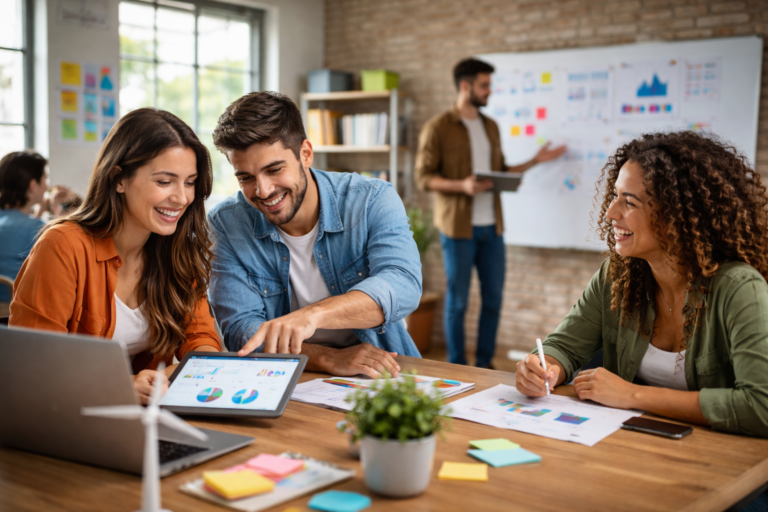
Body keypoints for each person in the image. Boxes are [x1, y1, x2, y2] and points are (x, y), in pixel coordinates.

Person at [515, 131, 768, 439]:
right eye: (615, 196)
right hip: (639, 448)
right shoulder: (618, 275)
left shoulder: (740, 289)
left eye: (629, 202)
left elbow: (760, 407)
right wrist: (546, 369)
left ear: (676, 215)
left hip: (727, 466)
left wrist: (632, 395)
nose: (611, 213)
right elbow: (564, 346)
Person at [10, 108, 222, 403]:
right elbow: (34, 365)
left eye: (189, 182)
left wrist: (174, 374)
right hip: (64, 415)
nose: (182, 197)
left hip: (139, 416)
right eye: (164, 182)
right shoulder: (63, 245)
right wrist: (121, 386)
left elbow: (201, 339)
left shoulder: (175, 248)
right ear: (118, 179)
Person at [207, 91, 422, 378]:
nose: (263, 190)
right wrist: (327, 358)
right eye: (246, 177)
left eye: (274, 169)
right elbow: (240, 331)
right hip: (283, 378)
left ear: (305, 154)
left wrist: (311, 316)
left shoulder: (371, 199)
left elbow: (403, 284)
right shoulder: (226, 223)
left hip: (381, 368)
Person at [414, 57, 567, 368]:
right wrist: (462, 186)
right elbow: (423, 177)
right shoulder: (438, 127)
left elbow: (502, 171)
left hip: (492, 228)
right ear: (465, 85)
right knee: (458, 303)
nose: (489, 91)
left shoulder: (491, 126)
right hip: (458, 229)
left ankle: (484, 364)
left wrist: (536, 160)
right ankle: (456, 364)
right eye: (484, 85)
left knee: (493, 301)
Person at [0, 151, 78, 307]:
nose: (47, 185)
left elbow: (21, 224)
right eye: (45, 179)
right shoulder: (35, 228)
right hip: (17, 306)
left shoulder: (11, 221)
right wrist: (71, 203)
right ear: (33, 185)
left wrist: (43, 208)